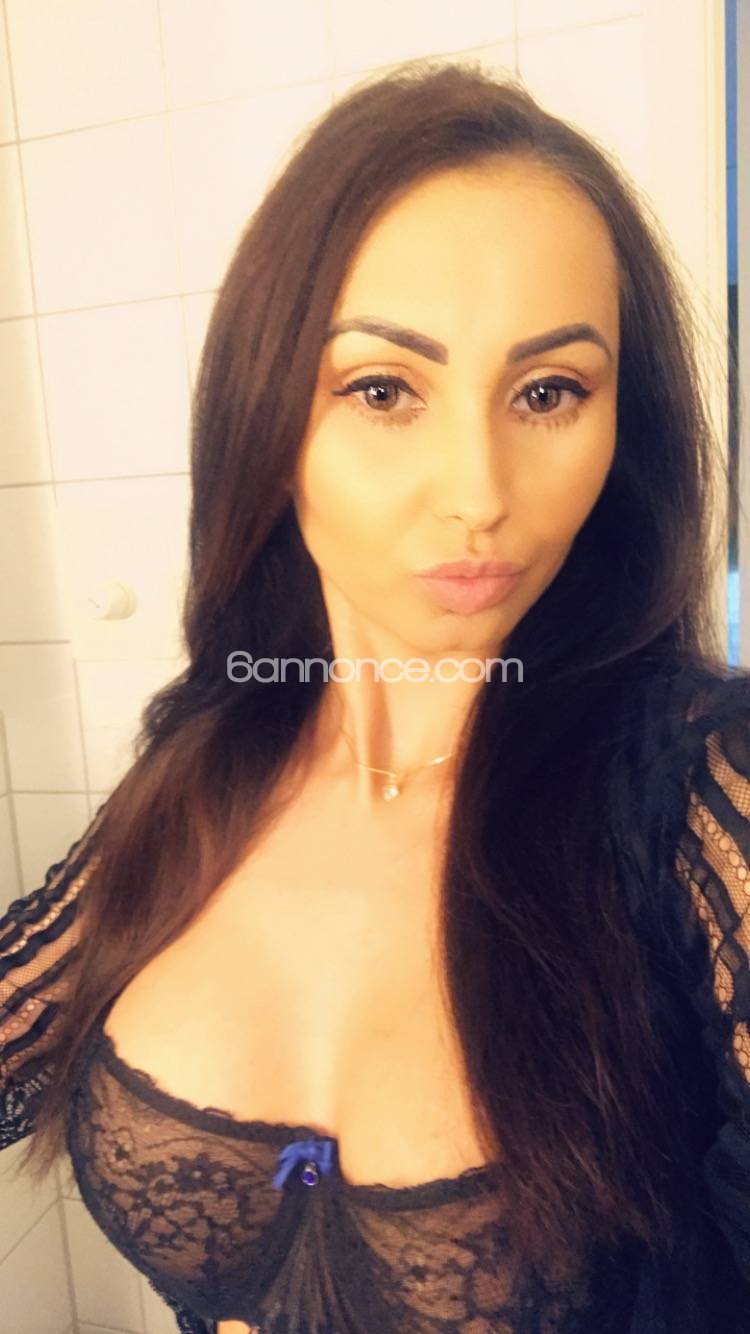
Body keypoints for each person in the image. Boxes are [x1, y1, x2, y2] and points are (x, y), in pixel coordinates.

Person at [1, 59, 750, 1334]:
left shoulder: (702, 791)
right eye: (385, 389)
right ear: (266, 416)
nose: (479, 491)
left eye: (550, 393)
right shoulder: (216, 748)